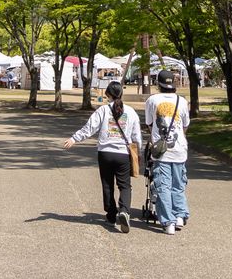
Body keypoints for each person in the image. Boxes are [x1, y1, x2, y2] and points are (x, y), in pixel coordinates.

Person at [61, 81, 142, 232]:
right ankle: (124, 210)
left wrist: (74, 139)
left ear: (108, 95)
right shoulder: (131, 112)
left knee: (107, 184)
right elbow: (137, 136)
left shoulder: (103, 110)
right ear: (121, 94)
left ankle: (111, 216)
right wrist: (139, 152)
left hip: (105, 153)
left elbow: (89, 128)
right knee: (125, 185)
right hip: (123, 153)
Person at [145, 69, 191, 235]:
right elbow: (185, 125)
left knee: (163, 186)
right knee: (178, 185)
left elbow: (150, 124)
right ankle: (180, 215)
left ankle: (168, 221)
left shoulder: (152, 100)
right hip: (180, 149)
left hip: (161, 151)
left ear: (158, 84)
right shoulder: (182, 101)